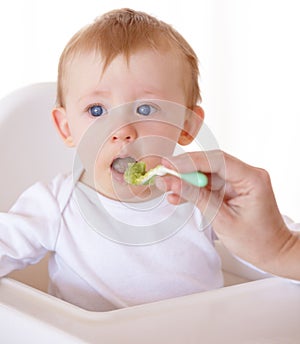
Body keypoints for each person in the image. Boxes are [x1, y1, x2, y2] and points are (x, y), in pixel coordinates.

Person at [0, 8, 228, 311]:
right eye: (97, 110)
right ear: (66, 128)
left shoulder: (204, 199)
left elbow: (278, 253)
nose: (122, 131)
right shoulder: (56, 205)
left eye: (146, 109)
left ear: (187, 125)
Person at [155, 150, 300, 280]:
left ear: (188, 127)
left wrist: (281, 246)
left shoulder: (203, 206)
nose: (130, 130)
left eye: (145, 117)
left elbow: (280, 234)